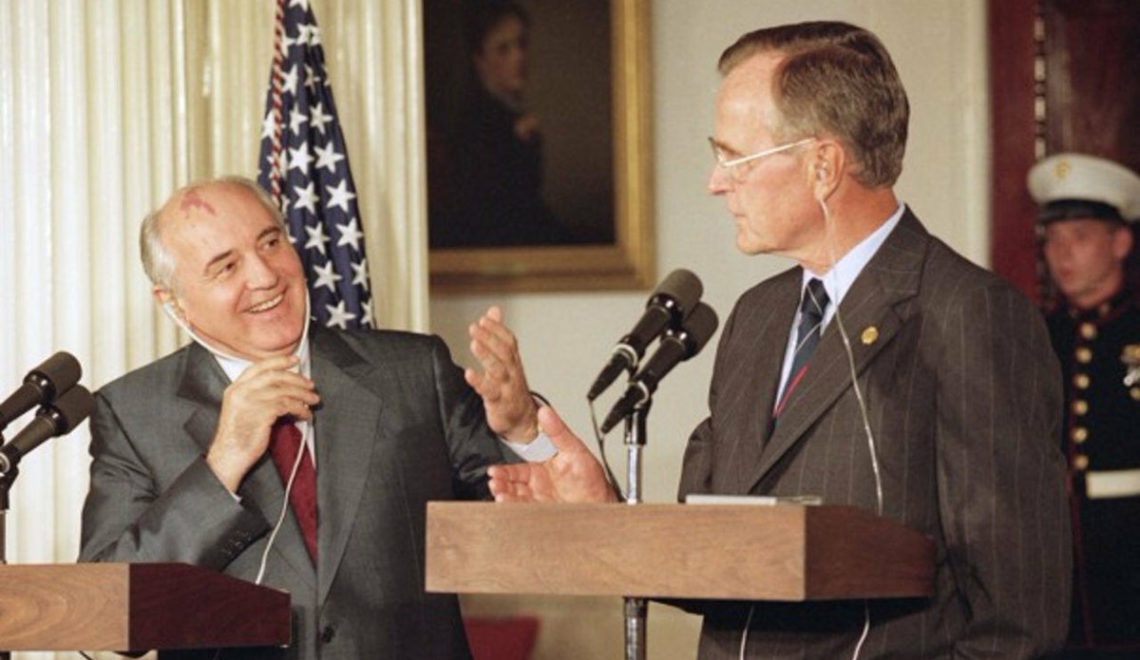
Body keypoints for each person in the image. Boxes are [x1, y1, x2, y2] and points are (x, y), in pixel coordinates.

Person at [488, 21, 1071, 658]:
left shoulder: (967, 314)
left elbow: (1018, 621)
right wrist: (600, 511)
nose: (716, 182)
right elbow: (715, 557)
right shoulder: (757, 317)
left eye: (734, 157)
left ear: (823, 165)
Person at [78, 176, 551, 659]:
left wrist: (524, 433)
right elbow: (108, 618)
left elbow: (542, 537)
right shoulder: (132, 413)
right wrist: (222, 463)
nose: (265, 276)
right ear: (174, 302)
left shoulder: (412, 372)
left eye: (271, 242)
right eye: (226, 266)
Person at [1029, 152, 1140, 657]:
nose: (1062, 254)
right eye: (1053, 239)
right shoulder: (1039, 336)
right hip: (1062, 556)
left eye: (1080, 237)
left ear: (1120, 242)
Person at [428, 0, 571, 248]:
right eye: (503, 49)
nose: (519, 57)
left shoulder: (509, 114)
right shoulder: (477, 123)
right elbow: (499, 212)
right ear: (480, 60)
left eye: (521, 44)